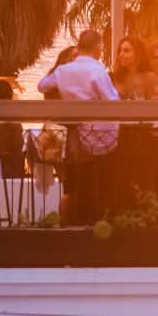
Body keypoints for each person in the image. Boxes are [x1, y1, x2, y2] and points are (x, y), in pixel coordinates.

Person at [40, 30, 120, 223]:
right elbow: (112, 100)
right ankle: (92, 222)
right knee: (93, 182)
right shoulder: (97, 70)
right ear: (98, 48)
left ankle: (70, 224)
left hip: (72, 136)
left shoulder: (63, 71)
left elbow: (42, 85)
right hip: (96, 134)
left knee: (74, 185)